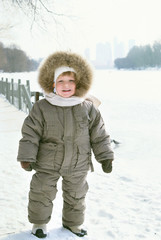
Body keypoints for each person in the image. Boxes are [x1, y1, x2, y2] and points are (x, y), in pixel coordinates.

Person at [17, 51, 114, 238]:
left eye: (70, 81)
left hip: (78, 164)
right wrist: (26, 157)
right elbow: (30, 133)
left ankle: (73, 224)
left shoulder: (88, 107)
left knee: (76, 196)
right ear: (52, 84)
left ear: (78, 84)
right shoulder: (42, 107)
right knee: (41, 194)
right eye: (60, 81)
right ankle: (39, 224)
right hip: (47, 163)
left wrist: (105, 156)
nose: (66, 86)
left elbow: (99, 134)